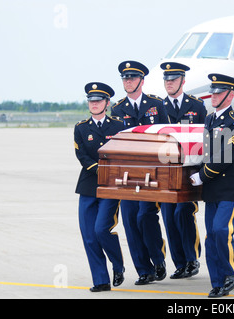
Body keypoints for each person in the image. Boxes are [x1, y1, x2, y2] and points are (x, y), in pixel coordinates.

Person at [190, 73, 234, 298]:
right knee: (211, 236)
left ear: (231, 95)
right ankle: (217, 281)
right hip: (213, 188)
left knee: (222, 230)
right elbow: (207, 152)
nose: (213, 96)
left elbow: (226, 156)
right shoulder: (210, 119)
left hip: (231, 188)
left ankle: (231, 271)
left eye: (219, 93)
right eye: (212, 92)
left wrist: (202, 176)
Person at [111, 60, 169, 285]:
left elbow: (166, 136)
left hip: (152, 172)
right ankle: (144, 270)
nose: (128, 81)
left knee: (145, 216)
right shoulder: (117, 109)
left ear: (141, 81)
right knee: (130, 221)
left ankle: (158, 259)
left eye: (132, 78)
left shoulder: (156, 104)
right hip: (126, 174)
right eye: (125, 78)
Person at [74, 82, 125, 292]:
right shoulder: (81, 127)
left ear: (107, 103)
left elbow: (124, 153)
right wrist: (98, 169)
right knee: (89, 236)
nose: (94, 104)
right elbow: (82, 155)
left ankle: (118, 264)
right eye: (91, 101)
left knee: (101, 230)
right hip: (88, 185)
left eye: (98, 101)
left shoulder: (118, 126)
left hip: (111, 186)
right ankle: (101, 280)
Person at [159, 62, 206, 279]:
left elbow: (205, 139)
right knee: (169, 216)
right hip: (167, 171)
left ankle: (192, 258)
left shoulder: (196, 106)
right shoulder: (157, 107)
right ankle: (180, 263)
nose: (169, 83)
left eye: (173, 79)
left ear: (183, 81)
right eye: (167, 79)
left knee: (183, 212)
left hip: (189, 172)